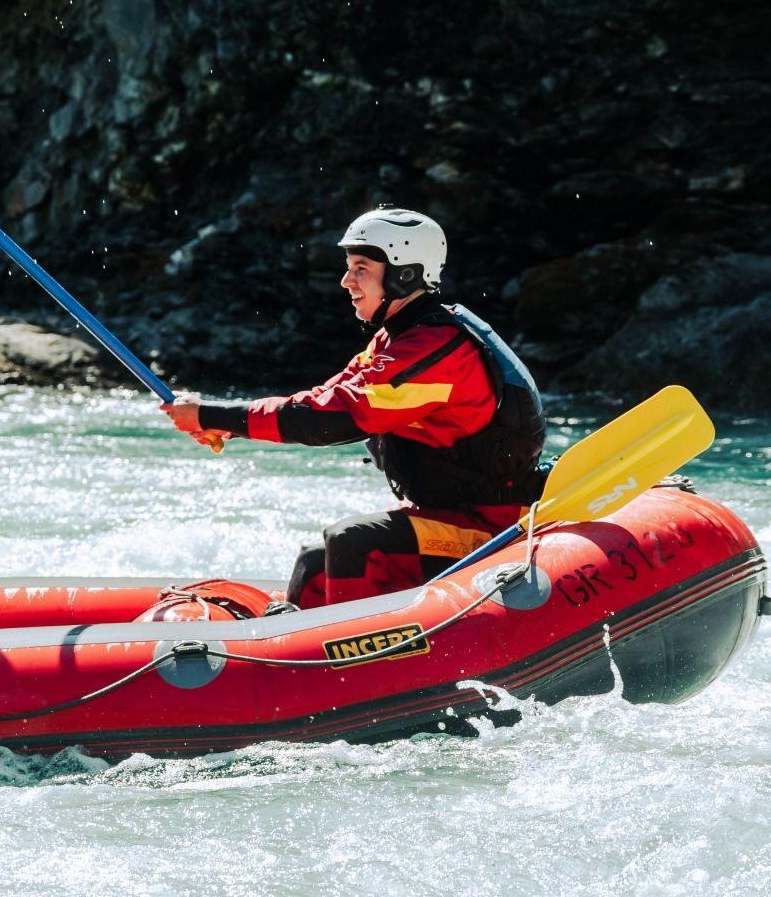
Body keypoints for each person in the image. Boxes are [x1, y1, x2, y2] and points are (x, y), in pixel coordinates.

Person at [163, 207, 545, 608]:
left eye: (361, 268)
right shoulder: (394, 341)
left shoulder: (435, 352)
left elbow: (327, 420)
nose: (346, 281)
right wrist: (225, 423)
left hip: (493, 527)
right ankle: (293, 656)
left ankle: (350, 662)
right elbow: (321, 397)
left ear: (404, 273)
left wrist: (211, 415)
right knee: (315, 561)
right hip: (449, 515)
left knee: (353, 541)